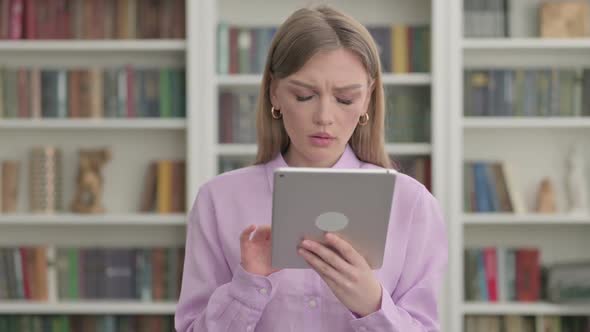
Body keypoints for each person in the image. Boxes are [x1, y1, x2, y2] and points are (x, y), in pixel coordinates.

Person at [175, 5, 448, 332]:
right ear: (274, 92)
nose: (324, 117)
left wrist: (372, 304)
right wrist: (248, 287)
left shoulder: (412, 204)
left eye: (345, 99)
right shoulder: (218, 200)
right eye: (304, 96)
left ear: (367, 99)